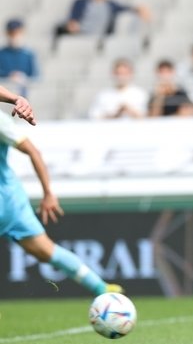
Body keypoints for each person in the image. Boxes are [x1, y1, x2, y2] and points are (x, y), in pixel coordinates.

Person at [0, 96, 122, 296]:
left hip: (9, 203)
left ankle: (101, 289)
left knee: (47, 250)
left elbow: (33, 152)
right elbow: (33, 151)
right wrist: (48, 193)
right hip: (11, 202)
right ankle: (100, 288)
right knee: (47, 251)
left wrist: (48, 192)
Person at [56, 0, 150, 38]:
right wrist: (72, 26)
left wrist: (139, 9)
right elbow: (73, 19)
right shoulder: (80, 2)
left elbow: (126, 8)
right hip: (81, 35)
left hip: (100, 38)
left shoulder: (110, 4)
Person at [0, 19, 39, 97]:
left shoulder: (28, 54)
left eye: (17, 33)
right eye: (12, 33)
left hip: (25, 93)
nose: (15, 36)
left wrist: (23, 78)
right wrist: (9, 76)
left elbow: (35, 75)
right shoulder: (1, 54)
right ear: (7, 33)